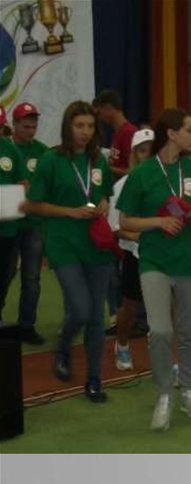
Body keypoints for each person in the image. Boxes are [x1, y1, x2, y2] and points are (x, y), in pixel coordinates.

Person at [117, 108, 191, 430]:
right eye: (188, 130)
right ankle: (164, 393)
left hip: (190, 261)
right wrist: (158, 222)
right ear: (172, 134)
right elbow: (125, 221)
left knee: (188, 333)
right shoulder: (143, 173)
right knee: (160, 330)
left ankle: (188, 390)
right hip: (154, 261)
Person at [24, 101, 115, 402]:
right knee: (80, 309)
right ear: (68, 127)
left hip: (96, 245)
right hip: (63, 244)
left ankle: (94, 379)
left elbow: (104, 194)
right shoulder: (51, 160)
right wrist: (69, 212)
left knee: (97, 317)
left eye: (90, 126)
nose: (85, 132)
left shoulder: (98, 161)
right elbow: (33, 204)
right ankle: (63, 347)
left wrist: (103, 204)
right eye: (79, 126)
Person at [106, 127, 155, 372]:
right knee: (130, 307)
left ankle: (163, 355)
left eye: (151, 151)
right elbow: (115, 228)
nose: (147, 156)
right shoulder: (122, 186)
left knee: (164, 307)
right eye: (142, 151)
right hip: (134, 255)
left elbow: (177, 213)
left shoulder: (166, 183)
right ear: (135, 154)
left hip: (162, 255)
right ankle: (123, 344)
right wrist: (140, 236)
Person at [9, 102, 48, 345]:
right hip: (8, 224)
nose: (30, 131)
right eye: (25, 126)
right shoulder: (5, 149)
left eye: (33, 127)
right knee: (5, 275)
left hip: (33, 224)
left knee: (32, 277)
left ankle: (26, 325)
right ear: (14, 125)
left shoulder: (42, 152)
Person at [0, 105, 27, 333]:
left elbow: (23, 182)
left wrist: (17, 194)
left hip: (8, 228)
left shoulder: (10, 150)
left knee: (4, 275)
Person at [93, 89, 137, 179]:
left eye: (98, 113)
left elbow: (133, 171)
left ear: (108, 108)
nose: (98, 118)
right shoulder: (117, 132)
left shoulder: (128, 133)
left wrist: (105, 168)